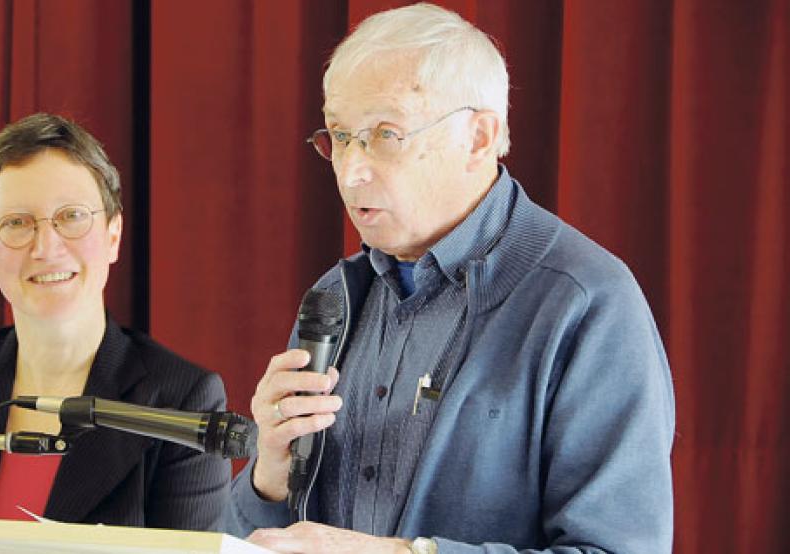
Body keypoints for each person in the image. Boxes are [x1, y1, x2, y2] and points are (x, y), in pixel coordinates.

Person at [229, 4, 675, 553]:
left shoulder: (586, 303)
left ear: (479, 138)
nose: (351, 170)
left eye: (385, 135)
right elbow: (246, 537)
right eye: (341, 137)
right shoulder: (335, 298)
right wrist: (268, 476)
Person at [0, 113, 230, 529]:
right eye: (17, 223)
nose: (45, 247)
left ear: (113, 234)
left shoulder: (183, 402)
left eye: (71, 216)